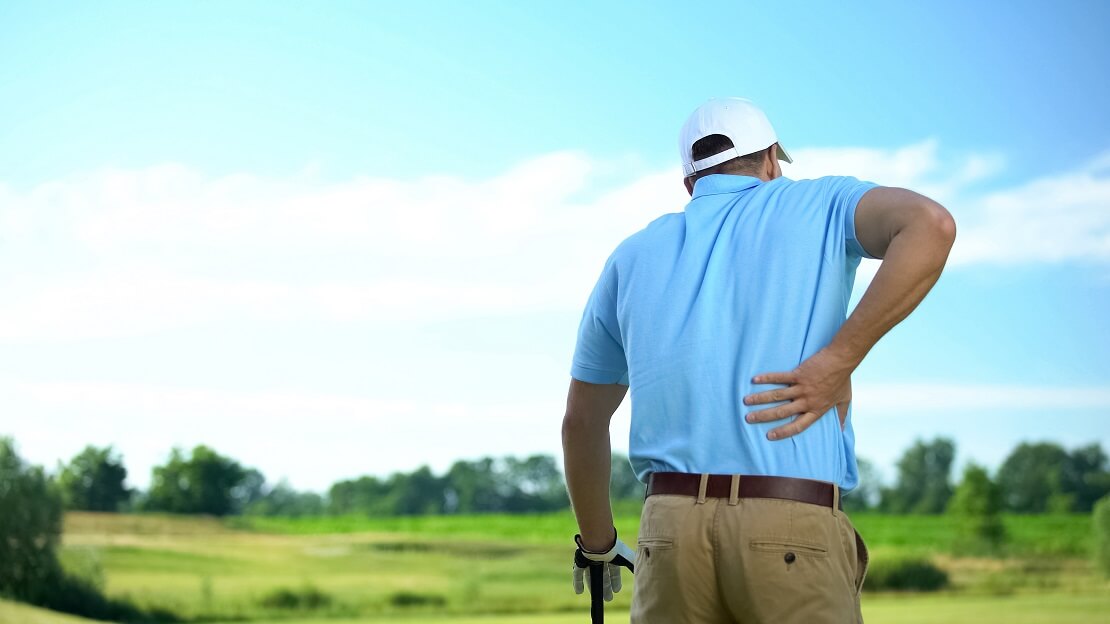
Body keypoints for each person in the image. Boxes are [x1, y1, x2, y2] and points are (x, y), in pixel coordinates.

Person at [562, 97, 956, 623]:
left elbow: (582, 422)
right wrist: (840, 360)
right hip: (791, 527)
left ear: (690, 184)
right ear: (771, 160)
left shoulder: (631, 256)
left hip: (669, 535)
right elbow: (931, 225)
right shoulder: (821, 203)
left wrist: (597, 543)